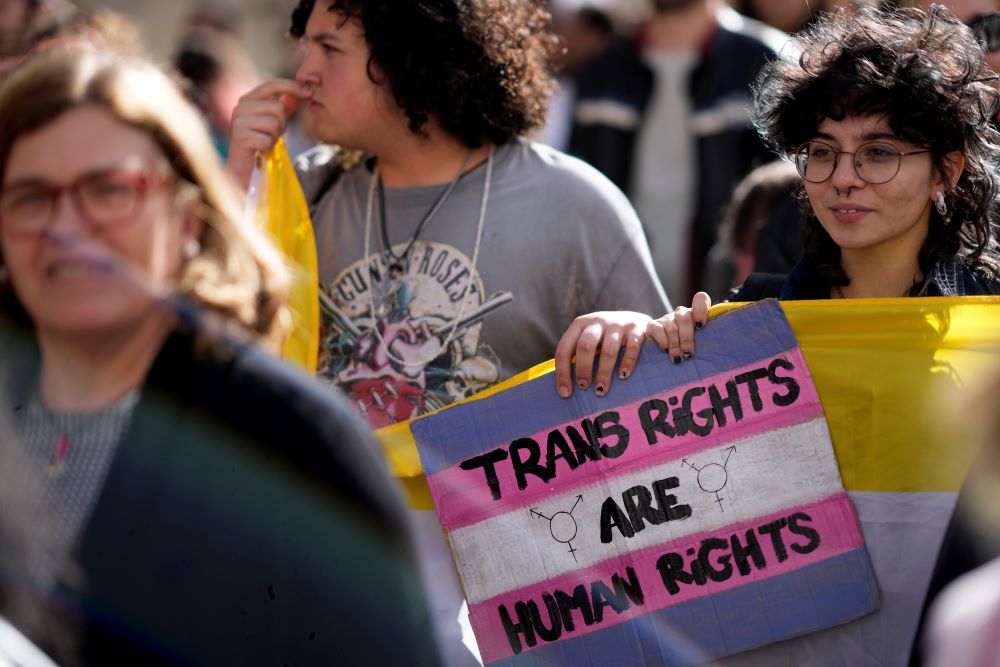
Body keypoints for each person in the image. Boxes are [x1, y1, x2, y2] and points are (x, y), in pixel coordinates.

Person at [226, 0, 670, 662]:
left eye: (329, 49)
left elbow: (667, 426)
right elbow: (202, 351)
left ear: (413, 55)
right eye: (305, 47)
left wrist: (637, 334)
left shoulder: (576, 209)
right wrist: (238, 186)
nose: (304, 70)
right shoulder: (296, 196)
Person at [0, 47, 440, 666]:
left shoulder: (295, 441)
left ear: (186, 218)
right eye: (31, 198)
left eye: (108, 190)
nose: (67, 228)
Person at [556, 4, 1000, 396]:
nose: (843, 178)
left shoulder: (988, 320)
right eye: (823, 152)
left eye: (878, 153)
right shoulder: (745, 320)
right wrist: (638, 339)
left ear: (946, 171)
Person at [568, 0, 789, 300]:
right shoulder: (600, 73)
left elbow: (786, 204)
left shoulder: (769, 60)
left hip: (727, 307)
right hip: (618, 309)